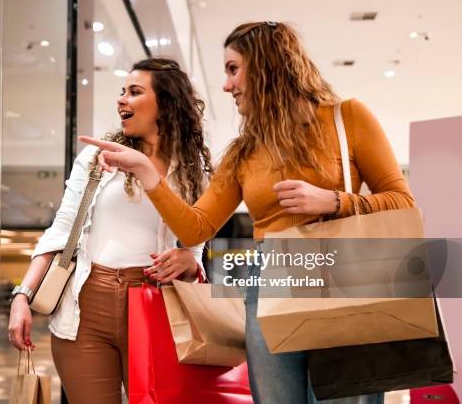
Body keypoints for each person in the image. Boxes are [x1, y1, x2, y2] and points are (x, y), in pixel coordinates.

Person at [80, 22, 415, 403]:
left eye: (233, 69)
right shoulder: (243, 151)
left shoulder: (346, 117)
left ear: (266, 66)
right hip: (270, 280)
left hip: (342, 277)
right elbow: (195, 228)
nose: (226, 84)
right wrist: (145, 170)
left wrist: (335, 201)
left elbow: (402, 202)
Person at [8, 58, 212, 403]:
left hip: (156, 307)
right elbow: (60, 232)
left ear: (166, 103)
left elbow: (194, 249)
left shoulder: (193, 171)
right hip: (86, 306)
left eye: (134, 92)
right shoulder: (97, 159)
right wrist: (21, 297)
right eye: (122, 92)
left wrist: (189, 262)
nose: (122, 100)